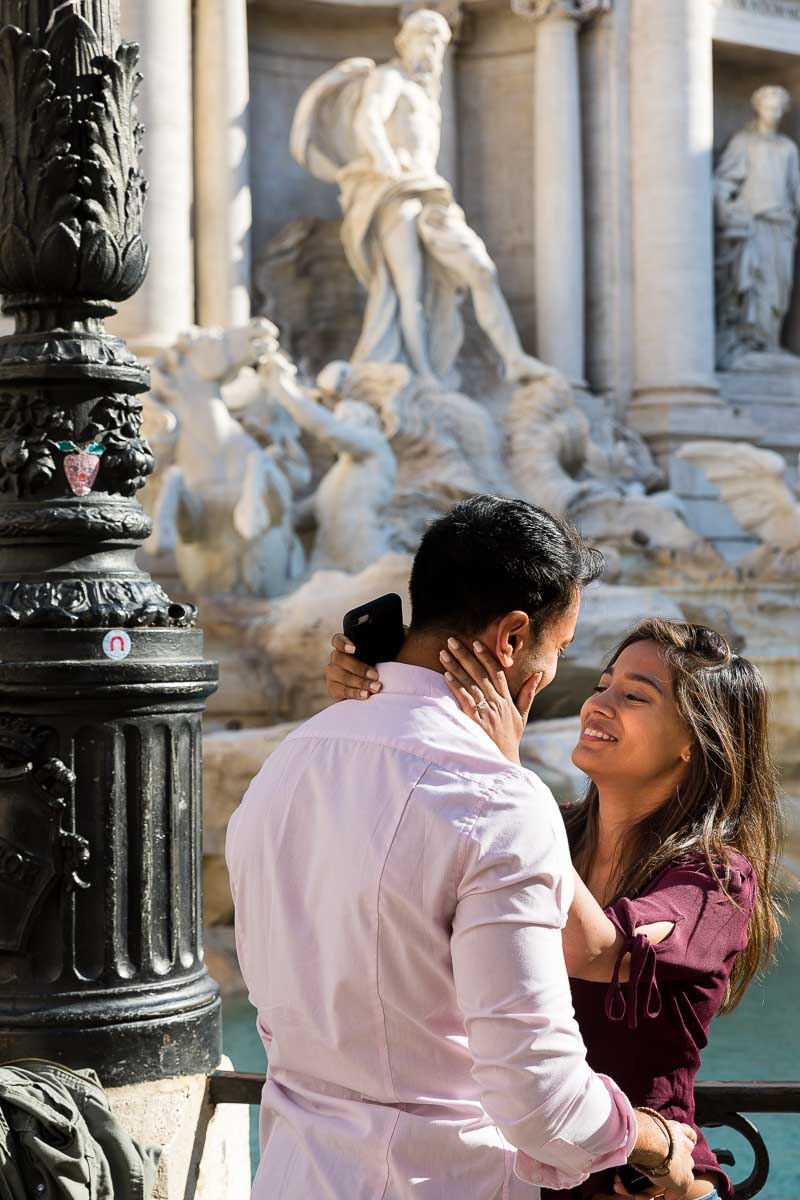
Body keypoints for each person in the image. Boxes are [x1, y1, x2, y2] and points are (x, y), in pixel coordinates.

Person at [226, 496, 699, 1200]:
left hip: (294, 1175)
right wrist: (652, 1140)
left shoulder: (288, 764)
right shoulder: (497, 801)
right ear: (511, 638)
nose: (549, 674)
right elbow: (539, 1097)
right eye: (558, 649)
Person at [327, 614, 784, 1200]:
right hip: (516, 1179)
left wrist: (507, 777)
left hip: (646, 1184)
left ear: (693, 743)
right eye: (602, 684)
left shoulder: (714, 881)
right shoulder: (552, 833)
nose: (599, 703)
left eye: (634, 696)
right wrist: (374, 695)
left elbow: (593, 949)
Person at [291, 9, 550, 385]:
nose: (431, 51)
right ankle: (424, 374)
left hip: (431, 196)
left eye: (438, 44)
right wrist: (387, 165)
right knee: (408, 288)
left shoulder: (426, 94)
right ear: (404, 42)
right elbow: (368, 119)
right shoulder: (388, 77)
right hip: (396, 195)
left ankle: (514, 359)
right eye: (425, 40)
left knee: (479, 270)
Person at [714, 84, 800, 367]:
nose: (773, 113)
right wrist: (724, 206)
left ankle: (772, 342)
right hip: (754, 223)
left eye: (778, 108)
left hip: (782, 225)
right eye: (768, 107)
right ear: (758, 108)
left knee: (778, 288)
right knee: (755, 284)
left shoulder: (788, 148)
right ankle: (751, 342)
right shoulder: (744, 142)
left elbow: (795, 189)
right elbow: (725, 180)